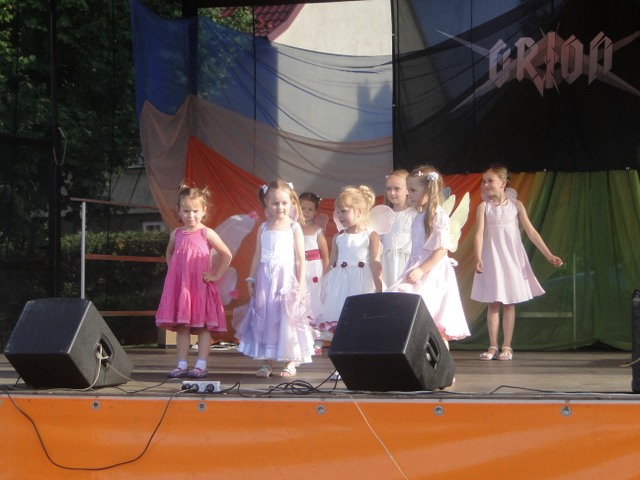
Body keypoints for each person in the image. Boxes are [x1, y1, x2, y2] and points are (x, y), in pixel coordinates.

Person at [472, 165, 563, 361]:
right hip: (492, 258)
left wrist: (548, 255)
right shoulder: (484, 208)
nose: (486, 184)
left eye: (490, 180)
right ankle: (493, 345)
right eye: (484, 181)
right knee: (493, 302)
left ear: (503, 183)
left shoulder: (516, 206)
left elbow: (531, 232)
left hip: (512, 258)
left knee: (509, 302)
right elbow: (478, 234)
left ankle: (507, 346)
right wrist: (478, 257)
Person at [235, 180, 315, 377]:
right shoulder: (263, 227)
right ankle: (266, 361)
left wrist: (300, 285)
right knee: (264, 315)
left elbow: (300, 259)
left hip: (285, 279)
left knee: (287, 316)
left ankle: (290, 360)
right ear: (267, 204)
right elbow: (257, 255)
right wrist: (251, 279)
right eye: (275, 203)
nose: (280, 207)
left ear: (291, 203)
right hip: (265, 279)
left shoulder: (294, 227)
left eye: (284, 203)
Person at [156, 183, 232, 379]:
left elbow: (226, 254)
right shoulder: (176, 234)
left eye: (195, 211)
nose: (191, 215)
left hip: (200, 288)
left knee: (203, 326)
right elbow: (169, 252)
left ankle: (201, 364)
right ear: (179, 211)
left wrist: (215, 275)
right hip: (182, 288)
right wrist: (174, 272)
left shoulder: (206, 233)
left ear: (204, 210)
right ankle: (181, 364)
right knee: (182, 326)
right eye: (186, 211)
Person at [390, 165, 470, 348]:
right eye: (408, 189)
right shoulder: (420, 215)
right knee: (410, 310)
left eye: (413, 190)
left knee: (432, 318)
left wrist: (421, 269)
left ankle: (442, 363)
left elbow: (441, 249)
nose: (409, 194)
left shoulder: (437, 215)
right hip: (418, 267)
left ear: (428, 191)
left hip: (432, 272)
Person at [317, 185, 383, 336]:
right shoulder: (338, 237)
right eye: (338, 212)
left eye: (344, 211)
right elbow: (332, 262)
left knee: (361, 316)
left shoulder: (370, 235)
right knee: (341, 315)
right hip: (340, 283)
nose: (340, 216)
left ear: (359, 211)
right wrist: (324, 284)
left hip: (362, 282)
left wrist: (378, 285)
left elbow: (375, 261)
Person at [299, 192, 330, 350]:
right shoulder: (293, 229)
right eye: (303, 208)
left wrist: (326, 275)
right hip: (299, 270)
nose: (306, 212)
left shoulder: (317, 230)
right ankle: (301, 335)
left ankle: (317, 337)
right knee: (301, 301)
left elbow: (325, 256)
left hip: (314, 271)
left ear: (316, 211)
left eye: (310, 209)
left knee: (315, 301)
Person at [380, 169, 418, 288]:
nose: (392, 193)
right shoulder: (383, 215)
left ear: (408, 190)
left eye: (397, 189)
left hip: (405, 264)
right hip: (386, 264)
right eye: (389, 189)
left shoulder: (414, 215)